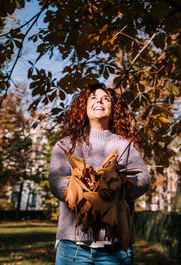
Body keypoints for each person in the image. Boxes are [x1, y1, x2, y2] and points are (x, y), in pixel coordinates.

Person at [49, 83, 150, 264]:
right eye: (93, 98)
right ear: (84, 107)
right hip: (73, 244)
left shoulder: (125, 144)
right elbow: (56, 181)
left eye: (106, 99)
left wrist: (115, 192)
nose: (99, 101)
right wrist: (88, 195)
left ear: (113, 108)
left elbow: (143, 179)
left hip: (116, 246)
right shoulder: (65, 145)